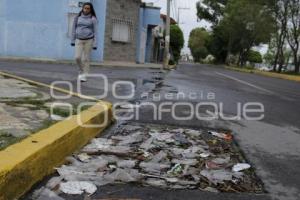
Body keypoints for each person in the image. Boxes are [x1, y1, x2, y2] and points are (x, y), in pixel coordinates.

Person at [71, 2, 98, 82]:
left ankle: (84, 76)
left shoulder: (93, 19)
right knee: (77, 57)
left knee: (85, 59)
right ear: (82, 8)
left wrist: (95, 43)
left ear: (90, 9)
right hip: (78, 39)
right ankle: (81, 71)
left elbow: (96, 32)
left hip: (89, 40)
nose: (86, 10)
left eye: (88, 8)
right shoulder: (77, 17)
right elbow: (73, 28)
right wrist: (72, 40)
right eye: (85, 8)